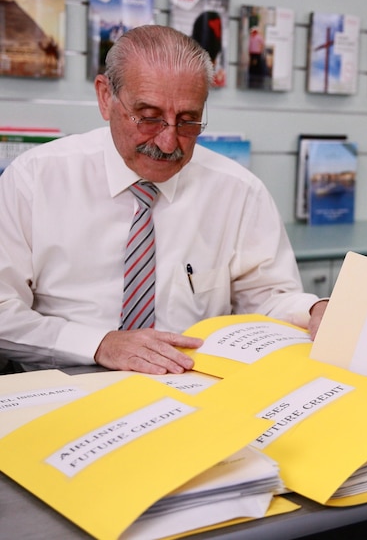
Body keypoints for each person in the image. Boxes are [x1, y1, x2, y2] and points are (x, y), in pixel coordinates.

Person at [0, 25, 327, 375]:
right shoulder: (35, 178)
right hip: (66, 386)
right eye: (149, 117)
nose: (169, 143)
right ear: (105, 98)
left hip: (191, 391)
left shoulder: (238, 190)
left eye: (188, 122)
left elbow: (265, 297)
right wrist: (99, 344)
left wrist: (313, 309)